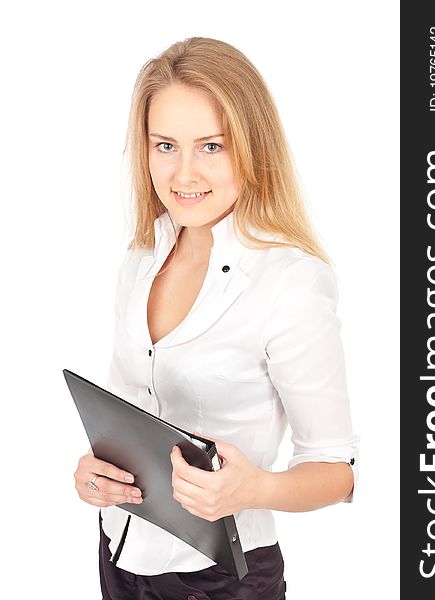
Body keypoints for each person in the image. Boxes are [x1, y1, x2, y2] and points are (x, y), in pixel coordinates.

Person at [74, 37, 359, 600]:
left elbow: (338, 471)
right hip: (119, 552)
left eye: (211, 146)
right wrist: (93, 470)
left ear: (251, 148)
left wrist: (253, 488)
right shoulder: (142, 256)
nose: (183, 173)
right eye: (164, 145)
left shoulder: (291, 281)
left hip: (221, 577)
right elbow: (124, 414)